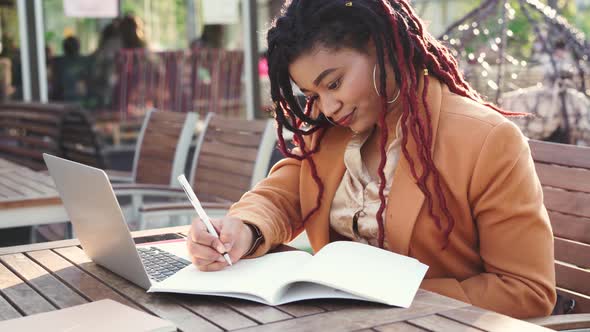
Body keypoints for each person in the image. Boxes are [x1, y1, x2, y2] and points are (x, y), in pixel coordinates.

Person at [186, 0, 556, 319]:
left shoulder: (486, 140)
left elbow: (526, 291)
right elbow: (282, 194)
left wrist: (391, 297)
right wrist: (243, 229)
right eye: (312, 93)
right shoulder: (331, 133)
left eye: (333, 83)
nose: (327, 107)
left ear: (382, 48)